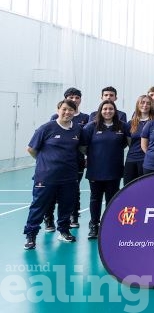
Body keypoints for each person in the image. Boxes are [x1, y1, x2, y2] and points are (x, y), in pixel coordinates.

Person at [24, 100, 82, 249]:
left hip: (69, 176)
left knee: (66, 206)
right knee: (38, 206)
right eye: (64, 109)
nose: (67, 112)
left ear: (74, 112)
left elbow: (80, 149)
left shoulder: (77, 129)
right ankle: (31, 235)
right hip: (46, 177)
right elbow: (31, 149)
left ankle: (64, 231)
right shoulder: (46, 128)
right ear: (58, 109)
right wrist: (45, 162)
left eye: (71, 110)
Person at [80, 100, 127, 239]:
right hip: (96, 169)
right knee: (95, 198)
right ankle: (94, 225)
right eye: (105, 109)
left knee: (112, 198)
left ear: (115, 111)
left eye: (111, 109)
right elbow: (83, 147)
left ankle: (110, 224)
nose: (108, 111)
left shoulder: (122, 126)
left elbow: (124, 143)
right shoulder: (91, 127)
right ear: (100, 110)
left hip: (114, 169)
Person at [45, 87, 90, 230]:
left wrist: (87, 156)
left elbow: (86, 141)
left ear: (80, 100)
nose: (74, 100)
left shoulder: (86, 118)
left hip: (76, 162)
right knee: (52, 191)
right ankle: (49, 218)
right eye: (71, 98)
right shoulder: (55, 118)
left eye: (77, 98)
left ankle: (73, 216)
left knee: (74, 190)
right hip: (56, 164)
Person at [124, 95, 154, 185]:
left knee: (146, 188)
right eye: (142, 102)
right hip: (131, 159)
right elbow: (129, 142)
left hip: (148, 160)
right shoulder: (131, 123)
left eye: (148, 103)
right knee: (129, 188)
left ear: (151, 106)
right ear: (138, 105)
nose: (145, 105)